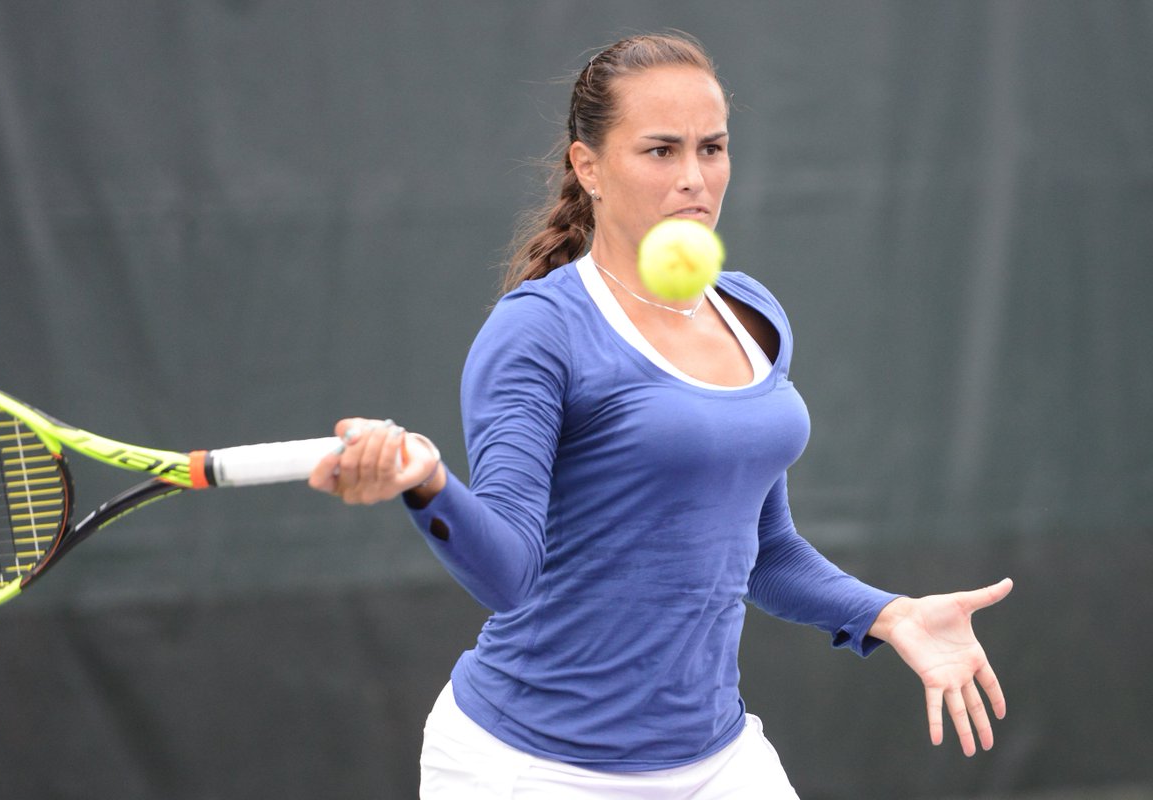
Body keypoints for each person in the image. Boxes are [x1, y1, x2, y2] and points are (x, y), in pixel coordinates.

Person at [309, 32, 1012, 799]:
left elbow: (765, 551)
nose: (694, 179)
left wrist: (891, 615)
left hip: (718, 760)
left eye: (712, 148)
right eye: (660, 151)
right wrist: (429, 485)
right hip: (528, 769)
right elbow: (509, 573)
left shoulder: (753, 314)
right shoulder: (537, 330)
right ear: (589, 166)